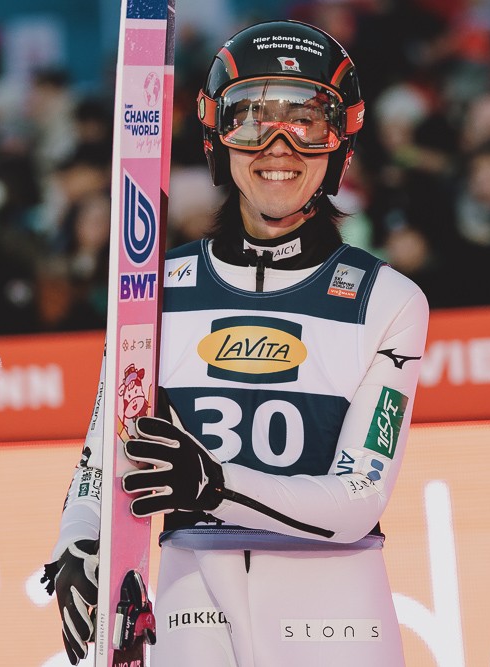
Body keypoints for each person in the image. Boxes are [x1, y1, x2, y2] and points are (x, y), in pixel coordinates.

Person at [43, 20, 429, 667]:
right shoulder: (152, 290)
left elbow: (360, 498)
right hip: (192, 599)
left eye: (307, 120)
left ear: (342, 143)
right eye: (250, 119)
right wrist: (79, 538)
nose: (279, 145)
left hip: (335, 608)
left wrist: (215, 485)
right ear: (216, 137)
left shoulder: (387, 300)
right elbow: (103, 453)